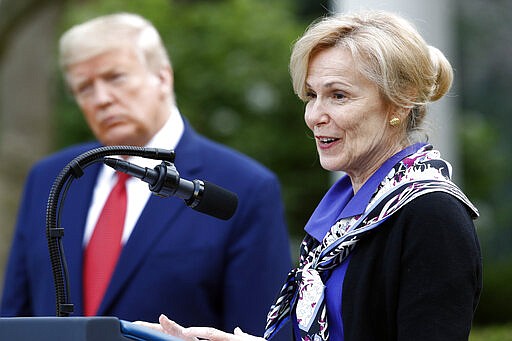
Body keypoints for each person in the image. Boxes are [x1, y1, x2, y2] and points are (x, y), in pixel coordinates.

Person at [137, 9, 483, 341]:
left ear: (399, 103)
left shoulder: (432, 214)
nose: (315, 115)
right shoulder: (342, 212)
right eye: (311, 95)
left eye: (338, 96)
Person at [0, 12, 293, 340]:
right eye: (84, 88)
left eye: (116, 77)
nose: (101, 98)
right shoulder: (51, 178)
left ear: (163, 77)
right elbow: (14, 316)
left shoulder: (244, 186)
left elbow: (258, 331)